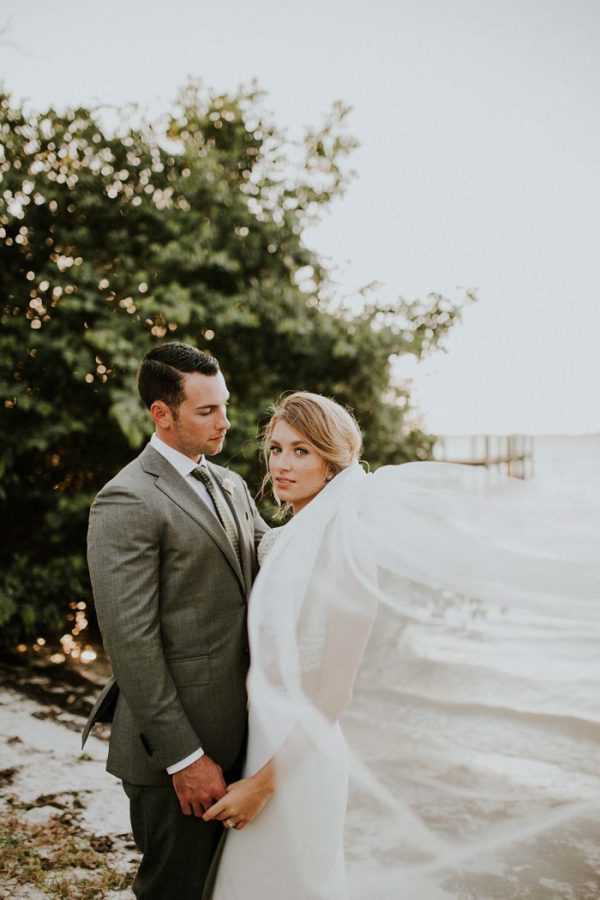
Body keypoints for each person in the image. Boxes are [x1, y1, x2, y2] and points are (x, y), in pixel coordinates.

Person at [202, 391, 600, 899]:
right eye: (276, 449)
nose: (281, 464)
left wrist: (263, 784)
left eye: (301, 451)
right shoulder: (288, 535)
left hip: (296, 760)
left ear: (332, 464)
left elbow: (335, 692)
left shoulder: (344, 551)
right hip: (258, 739)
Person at [82, 342, 268, 900]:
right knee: (175, 890)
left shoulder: (230, 485)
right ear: (161, 414)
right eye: (206, 411)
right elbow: (130, 642)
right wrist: (185, 759)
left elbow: (274, 555)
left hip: (243, 736)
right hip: (178, 752)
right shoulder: (126, 500)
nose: (225, 422)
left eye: (225, 406)